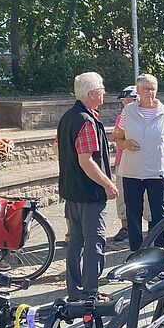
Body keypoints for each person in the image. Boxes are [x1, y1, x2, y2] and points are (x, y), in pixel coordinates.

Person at [56, 72, 119, 300]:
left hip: (72, 190)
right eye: (102, 88)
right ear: (91, 93)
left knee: (76, 241)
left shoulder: (68, 117)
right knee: (94, 241)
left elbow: (60, 149)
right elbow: (86, 161)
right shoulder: (85, 121)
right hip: (89, 192)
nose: (104, 92)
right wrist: (108, 184)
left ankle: (74, 291)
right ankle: (90, 291)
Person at [111, 74, 164, 252]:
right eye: (146, 88)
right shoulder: (128, 111)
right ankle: (136, 251)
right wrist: (125, 143)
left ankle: (159, 251)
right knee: (133, 213)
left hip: (157, 170)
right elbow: (116, 138)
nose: (150, 92)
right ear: (138, 91)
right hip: (132, 170)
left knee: (159, 212)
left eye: (153, 88)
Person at [110, 86, 149, 243]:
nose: (125, 105)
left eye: (128, 101)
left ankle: (149, 227)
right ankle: (125, 226)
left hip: (144, 162)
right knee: (123, 196)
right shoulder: (123, 117)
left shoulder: (146, 115)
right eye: (123, 102)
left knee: (146, 197)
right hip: (124, 161)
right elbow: (116, 137)